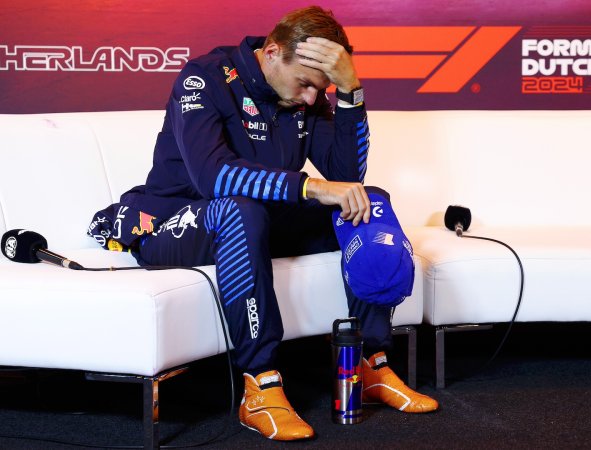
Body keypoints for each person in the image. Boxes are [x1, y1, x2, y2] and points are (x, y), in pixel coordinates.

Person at [86, 5, 437, 441]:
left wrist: (351, 92)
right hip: (176, 222)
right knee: (239, 210)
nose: (313, 98)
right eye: (307, 85)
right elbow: (212, 177)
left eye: (322, 89)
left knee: (370, 203)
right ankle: (260, 383)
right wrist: (310, 188)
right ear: (272, 53)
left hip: (259, 222)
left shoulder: (306, 96)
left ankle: (368, 365)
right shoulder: (204, 77)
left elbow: (347, 176)